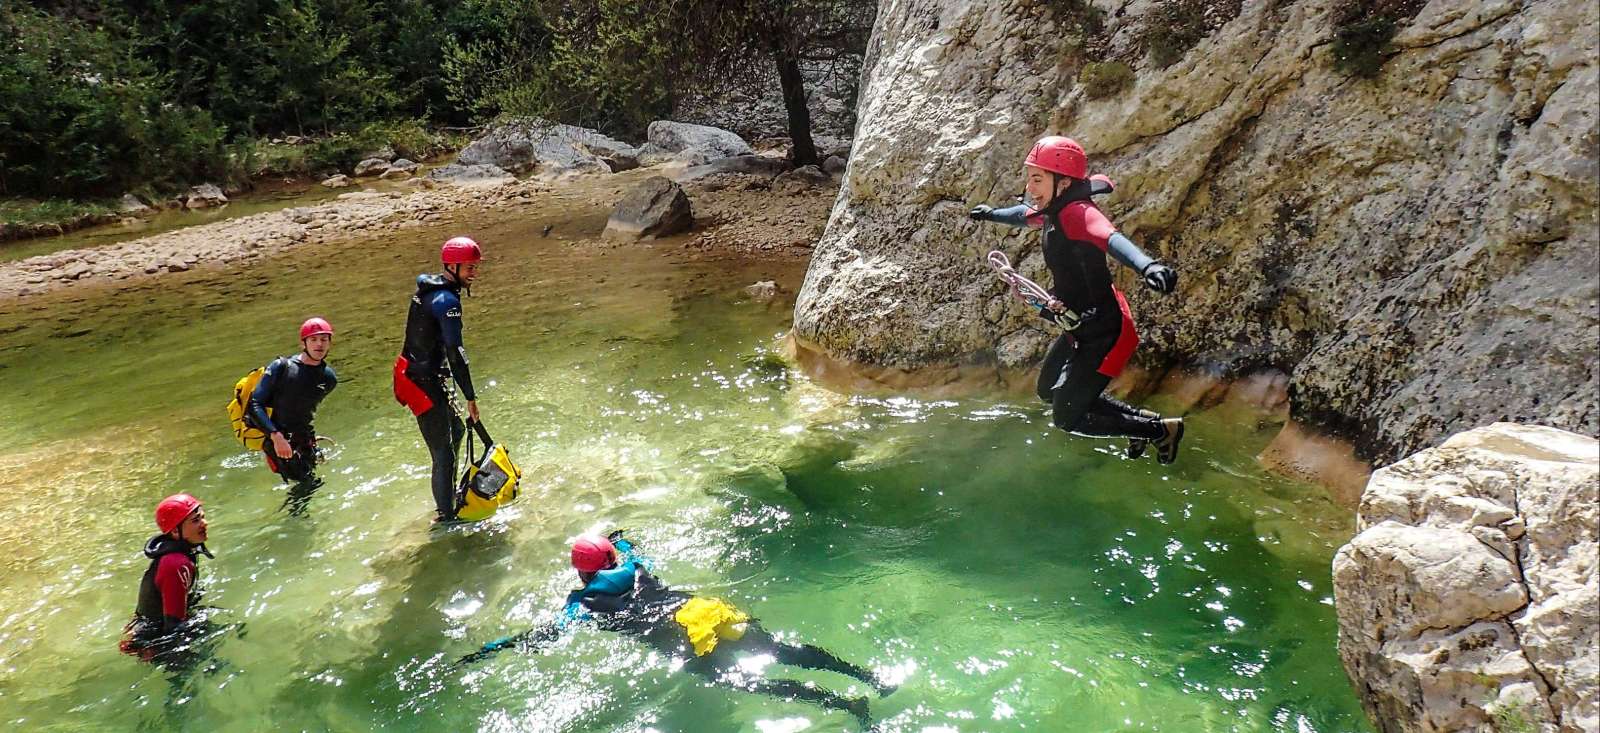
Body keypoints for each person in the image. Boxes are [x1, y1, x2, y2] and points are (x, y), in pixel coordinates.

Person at [461, 532, 894, 725]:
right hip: (705, 611)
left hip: (686, 640)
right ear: (613, 557)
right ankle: (868, 677)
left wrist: (497, 647)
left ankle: (848, 705)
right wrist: (617, 538)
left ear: (580, 571)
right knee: (783, 649)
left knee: (752, 682)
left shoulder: (583, 602)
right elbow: (629, 546)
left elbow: (548, 634)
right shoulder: (632, 564)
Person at [970, 135, 1186, 463]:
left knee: (1067, 418)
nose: (1030, 187)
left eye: (1037, 179)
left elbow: (1111, 238)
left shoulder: (1078, 213)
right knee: (1048, 391)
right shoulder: (1053, 209)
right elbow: (1021, 214)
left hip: (1103, 332)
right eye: (1029, 178)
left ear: (1064, 182)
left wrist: (1148, 266)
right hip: (1078, 326)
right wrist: (991, 214)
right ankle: (1145, 424)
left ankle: (1159, 432)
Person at [393, 236, 485, 522]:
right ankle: (446, 517)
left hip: (421, 375)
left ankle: (448, 496)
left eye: (474, 267)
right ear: (452, 266)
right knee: (442, 452)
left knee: (456, 432)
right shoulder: (446, 301)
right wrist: (470, 397)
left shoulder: (431, 289)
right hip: (420, 382)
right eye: (468, 268)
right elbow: (456, 353)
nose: (473, 273)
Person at [247, 317, 337, 513]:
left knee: (309, 484)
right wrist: (276, 436)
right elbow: (254, 404)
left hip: (304, 440)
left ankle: (297, 522)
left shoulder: (328, 378)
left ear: (330, 342)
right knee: (307, 484)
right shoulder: (282, 368)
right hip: (277, 438)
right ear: (303, 343)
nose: (319, 344)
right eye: (313, 339)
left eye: (324, 339)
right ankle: (293, 527)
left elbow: (303, 411)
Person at [119, 494, 213, 664]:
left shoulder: (180, 553)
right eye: (195, 520)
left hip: (149, 629)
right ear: (175, 531)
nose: (204, 524)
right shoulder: (176, 564)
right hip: (157, 640)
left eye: (203, 517)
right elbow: (174, 626)